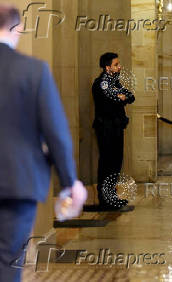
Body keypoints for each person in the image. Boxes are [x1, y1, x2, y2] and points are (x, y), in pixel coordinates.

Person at [0, 5, 85, 281]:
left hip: (18, 183)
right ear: (18, 29)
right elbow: (56, 132)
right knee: (8, 261)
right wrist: (70, 182)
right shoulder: (34, 71)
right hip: (19, 184)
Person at [92, 52, 135, 209]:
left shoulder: (115, 83)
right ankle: (105, 198)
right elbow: (115, 99)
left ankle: (112, 195)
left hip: (116, 127)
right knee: (107, 162)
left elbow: (130, 96)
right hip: (106, 128)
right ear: (107, 67)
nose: (119, 67)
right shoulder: (102, 83)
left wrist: (122, 96)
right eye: (116, 64)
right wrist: (120, 97)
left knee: (116, 162)